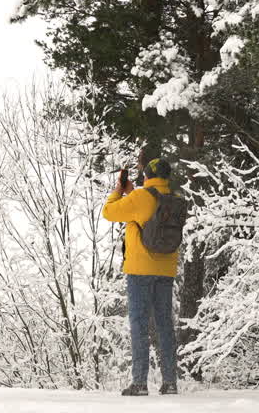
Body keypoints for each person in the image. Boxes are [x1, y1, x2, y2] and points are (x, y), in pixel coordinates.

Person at [101, 157, 180, 396]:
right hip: (166, 270)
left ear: (147, 176)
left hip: (140, 270)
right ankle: (170, 382)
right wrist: (133, 193)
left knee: (139, 324)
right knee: (165, 324)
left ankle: (140, 383)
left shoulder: (139, 198)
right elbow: (151, 212)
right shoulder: (174, 199)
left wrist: (119, 191)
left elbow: (109, 212)